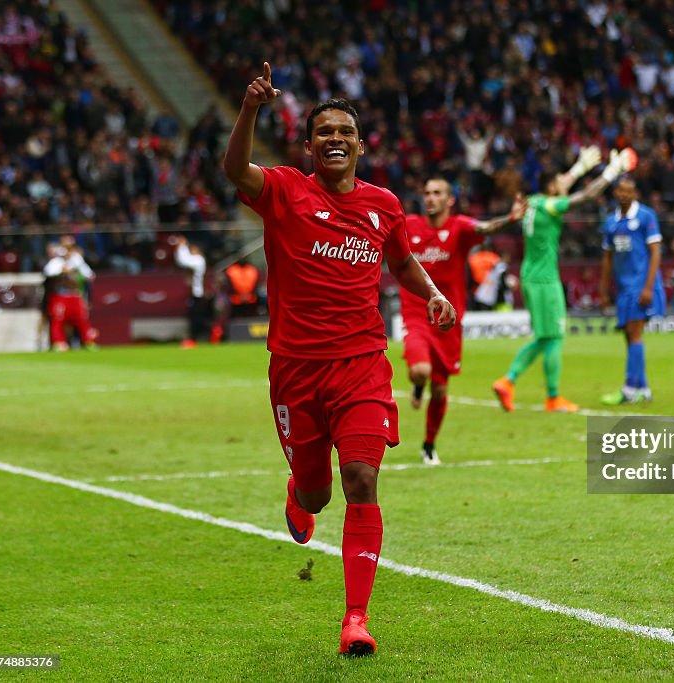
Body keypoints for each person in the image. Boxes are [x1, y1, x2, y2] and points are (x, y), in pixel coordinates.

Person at [222, 63, 456, 656]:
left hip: (362, 365)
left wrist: (430, 293)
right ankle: (298, 492)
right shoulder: (283, 191)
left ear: (358, 144)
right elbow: (233, 171)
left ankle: (356, 619)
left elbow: (401, 261)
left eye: (344, 133)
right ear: (308, 145)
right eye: (323, 132)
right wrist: (250, 108)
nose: (334, 140)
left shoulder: (383, 206)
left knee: (362, 479)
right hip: (295, 371)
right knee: (317, 494)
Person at [492, 145, 635, 413]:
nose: (563, 183)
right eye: (559, 181)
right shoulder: (549, 205)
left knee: (545, 337)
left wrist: (579, 169)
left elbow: (561, 185)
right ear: (552, 188)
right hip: (545, 280)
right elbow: (585, 196)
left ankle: (508, 382)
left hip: (529, 275)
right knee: (555, 336)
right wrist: (611, 173)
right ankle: (550, 396)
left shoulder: (534, 201)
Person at [401, 177, 526, 465]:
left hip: (448, 319)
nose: (430, 198)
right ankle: (418, 385)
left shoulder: (459, 227)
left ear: (449, 200)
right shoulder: (409, 225)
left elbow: (484, 227)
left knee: (441, 389)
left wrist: (510, 218)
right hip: (416, 313)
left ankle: (429, 445)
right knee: (420, 370)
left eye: (437, 193)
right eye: (427, 192)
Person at [598, 176, 665, 405]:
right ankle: (643, 389)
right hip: (624, 287)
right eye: (620, 190)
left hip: (641, 285)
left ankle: (629, 390)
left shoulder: (646, 217)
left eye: (629, 190)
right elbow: (607, 258)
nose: (624, 194)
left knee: (635, 334)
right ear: (615, 193)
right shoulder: (610, 222)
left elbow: (656, 252)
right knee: (629, 336)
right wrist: (603, 290)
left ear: (635, 194)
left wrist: (648, 287)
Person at [42, 239, 96, 351]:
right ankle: (58, 342)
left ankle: (89, 341)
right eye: (66, 247)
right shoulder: (56, 261)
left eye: (70, 247)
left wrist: (74, 269)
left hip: (75, 294)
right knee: (57, 319)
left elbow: (89, 275)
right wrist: (61, 270)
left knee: (82, 319)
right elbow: (48, 272)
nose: (68, 250)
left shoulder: (77, 260)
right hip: (60, 294)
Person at [173, 236, 208, 349]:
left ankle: (195, 339)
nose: (191, 252)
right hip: (195, 292)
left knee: (196, 317)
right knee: (193, 316)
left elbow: (184, 261)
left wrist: (182, 246)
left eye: (192, 250)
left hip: (198, 293)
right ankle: (195, 338)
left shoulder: (199, 259)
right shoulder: (198, 260)